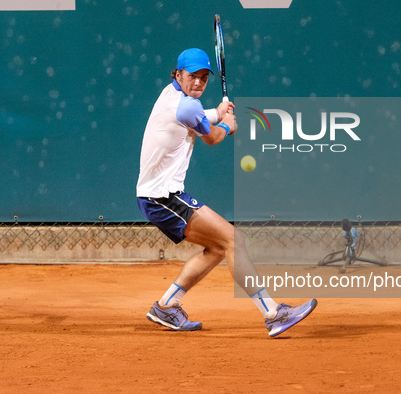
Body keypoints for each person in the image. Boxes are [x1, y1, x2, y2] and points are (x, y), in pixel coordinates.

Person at [136, 48, 317, 337]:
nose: (198, 83)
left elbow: (196, 116)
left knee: (219, 248)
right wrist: (227, 126)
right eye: (192, 76)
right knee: (234, 240)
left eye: (204, 78)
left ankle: (167, 306)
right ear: (178, 73)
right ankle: (272, 313)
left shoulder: (174, 97)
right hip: (163, 197)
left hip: (159, 195)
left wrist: (217, 112)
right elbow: (211, 136)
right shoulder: (186, 107)